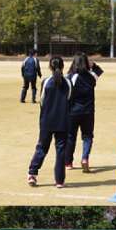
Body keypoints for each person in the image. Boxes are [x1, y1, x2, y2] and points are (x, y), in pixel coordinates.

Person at [28, 57, 72, 188]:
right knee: (61, 151)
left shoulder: (46, 82)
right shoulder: (68, 82)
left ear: (50, 67)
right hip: (63, 121)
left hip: (47, 120)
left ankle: (32, 173)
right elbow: (69, 99)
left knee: (42, 148)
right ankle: (59, 181)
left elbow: (42, 101)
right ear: (63, 67)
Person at [65, 52, 104, 173]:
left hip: (73, 111)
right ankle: (85, 158)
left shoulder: (70, 77)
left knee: (71, 136)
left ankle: (68, 162)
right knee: (87, 136)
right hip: (88, 111)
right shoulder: (91, 76)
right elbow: (99, 71)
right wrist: (93, 64)